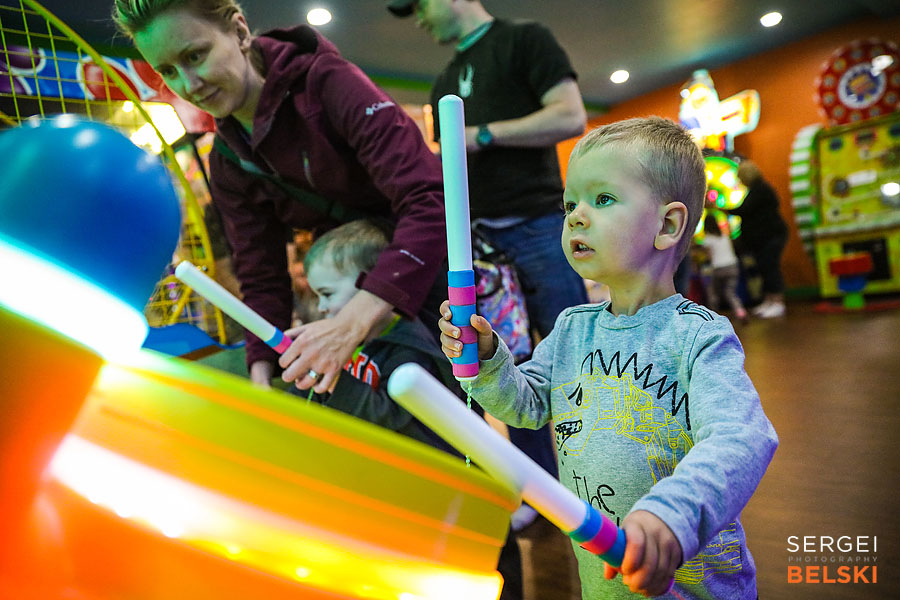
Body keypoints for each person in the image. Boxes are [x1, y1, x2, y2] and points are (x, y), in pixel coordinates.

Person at [438, 117, 778, 599]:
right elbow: (525, 405)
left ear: (667, 224)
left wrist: (670, 515)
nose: (575, 216)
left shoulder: (697, 336)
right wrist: (491, 357)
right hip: (603, 581)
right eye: (569, 204)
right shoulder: (573, 327)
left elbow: (742, 437)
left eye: (602, 200)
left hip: (692, 584)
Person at [114, 0, 449, 394]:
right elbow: (261, 273)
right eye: (168, 71)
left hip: (425, 289)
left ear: (239, 31)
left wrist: (355, 318)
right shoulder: (228, 162)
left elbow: (431, 202)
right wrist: (261, 365)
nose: (188, 85)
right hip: (349, 307)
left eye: (195, 55)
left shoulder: (329, 83)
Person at [388, 0, 589, 529]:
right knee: (510, 365)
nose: (420, 19)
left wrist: (482, 134)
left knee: (577, 358)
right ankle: (543, 496)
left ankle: (600, 479)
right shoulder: (443, 81)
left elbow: (570, 115)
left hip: (542, 225)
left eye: (422, 6)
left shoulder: (525, 39)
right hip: (479, 247)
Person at [295, 219, 525, 600]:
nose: (320, 308)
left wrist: (335, 381)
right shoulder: (364, 344)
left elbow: (395, 416)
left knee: (486, 573)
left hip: (456, 495)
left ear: (368, 284)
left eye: (326, 293)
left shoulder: (413, 348)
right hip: (412, 502)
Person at [732, 159, 789, 318]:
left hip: (771, 237)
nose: (740, 180)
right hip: (765, 238)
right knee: (765, 267)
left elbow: (744, 210)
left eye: (740, 176)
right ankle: (770, 301)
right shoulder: (758, 190)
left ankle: (777, 302)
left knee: (770, 266)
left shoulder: (761, 190)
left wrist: (723, 209)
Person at [701, 212, 747, 322]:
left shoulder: (708, 239)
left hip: (718, 268)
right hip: (732, 266)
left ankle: (713, 318)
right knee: (730, 292)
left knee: (713, 292)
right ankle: (740, 312)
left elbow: (709, 257)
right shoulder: (725, 236)